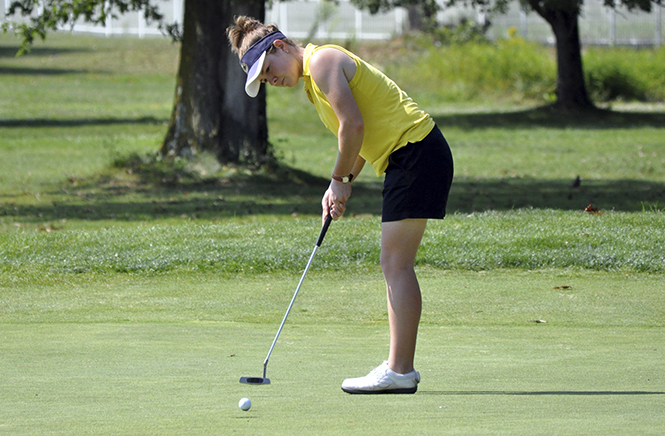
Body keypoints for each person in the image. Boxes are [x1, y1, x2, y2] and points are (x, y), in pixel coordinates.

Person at [227, 16, 453, 394]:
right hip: (410, 156)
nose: (273, 80)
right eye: (265, 80)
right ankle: (401, 368)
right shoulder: (312, 85)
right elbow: (357, 138)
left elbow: (353, 126)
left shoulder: (322, 61)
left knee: (396, 264)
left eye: (269, 70)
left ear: (281, 47)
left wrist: (339, 180)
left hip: (415, 152)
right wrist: (340, 184)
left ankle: (400, 370)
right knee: (395, 263)